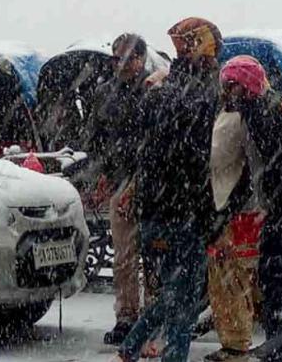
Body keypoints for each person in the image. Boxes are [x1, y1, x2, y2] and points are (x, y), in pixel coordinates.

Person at [112, 17, 224, 362]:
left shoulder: (157, 97)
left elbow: (140, 154)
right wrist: (211, 218)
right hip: (182, 215)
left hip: (156, 212)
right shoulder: (200, 101)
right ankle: (158, 354)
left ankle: (129, 350)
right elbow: (202, 166)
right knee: (181, 299)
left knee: (173, 294)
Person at [218, 55, 282, 362]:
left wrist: (272, 204)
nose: (226, 94)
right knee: (274, 276)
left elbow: (274, 166)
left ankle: (280, 349)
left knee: (275, 276)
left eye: (230, 87)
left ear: (245, 86)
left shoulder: (263, 114)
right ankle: (279, 346)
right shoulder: (266, 107)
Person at [81, 33, 166, 353]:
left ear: (142, 59)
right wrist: (102, 174)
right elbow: (95, 138)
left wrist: (142, 179)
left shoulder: (154, 90)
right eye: (118, 58)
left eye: (130, 58)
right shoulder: (105, 93)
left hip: (153, 184)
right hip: (120, 180)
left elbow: (160, 140)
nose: (124, 64)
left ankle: (154, 315)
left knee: (154, 255)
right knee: (124, 255)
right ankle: (127, 316)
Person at [205, 106, 265, 362]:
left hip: (235, 210)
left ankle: (236, 344)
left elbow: (219, 158)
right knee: (240, 278)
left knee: (231, 278)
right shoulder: (255, 116)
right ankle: (238, 338)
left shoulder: (236, 120)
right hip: (248, 209)